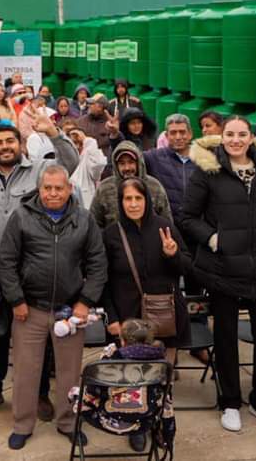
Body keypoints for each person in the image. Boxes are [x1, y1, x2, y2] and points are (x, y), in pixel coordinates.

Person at [0, 120, 79, 417]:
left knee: (35, 340)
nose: (5, 147)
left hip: (32, 276)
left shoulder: (38, 174)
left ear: (20, 145)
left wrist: (53, 133)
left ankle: (40, 394)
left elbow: (70, 162)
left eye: (10, 141)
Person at [180, 117, 256, 433]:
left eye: (242, 134)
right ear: (220, 137)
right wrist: (214, 239)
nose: (235, 140)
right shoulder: (207, 170)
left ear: (251, 138)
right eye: (229, 134)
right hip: (222, 268)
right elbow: (186, 217)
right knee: (225, 339)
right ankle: (230, 401)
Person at [0, 164, 108, 450]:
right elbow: (6, 262)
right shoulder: (21, 217)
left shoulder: (83, 219)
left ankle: (68, 422)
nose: (53, 193)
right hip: (29, 309)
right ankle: (22, 423)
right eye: (48, 188)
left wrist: (85, 302)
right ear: (39, 189)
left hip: (70, 311)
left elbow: (98, 264)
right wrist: (16, 300)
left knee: (70, 371)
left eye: (59, 188)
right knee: (25, 370)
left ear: (69, 189)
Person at [101, 177, 191, 452]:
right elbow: (103, 281)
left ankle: (161, 424)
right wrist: (112, 318)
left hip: (165, 319)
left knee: (162, 379)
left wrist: (172, 254)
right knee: (132, 379)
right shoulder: (112, 234)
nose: (133, 204)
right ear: (121, 202)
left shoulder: (165, 227)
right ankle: (136, 424)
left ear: (147, 200)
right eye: (128, 199)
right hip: (128, 322)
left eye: (138, 198)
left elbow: (187, 267)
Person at [89, 142, 171, 228]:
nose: (127, 168)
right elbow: (94, 224)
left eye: (131, 162)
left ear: (139, 162)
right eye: (122, 163)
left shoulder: (154, 186)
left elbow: (166, 222)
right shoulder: (104, 188)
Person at [142, 114, 198, 225]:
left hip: (196, 226)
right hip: (167, 226)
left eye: (182, 132)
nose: (178, 137)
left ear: (190, 134)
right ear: (167, 136)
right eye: (173, 133)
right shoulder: (154, 157)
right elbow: (129, 155)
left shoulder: (203, 160)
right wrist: (115, 136)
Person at [63, 124, 107, 210]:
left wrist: (87, 141)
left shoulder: (88, 158)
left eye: (80, 143)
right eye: (73, 143)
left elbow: (98, 164)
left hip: (85, 209)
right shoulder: (61, 159)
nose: (77, 146)